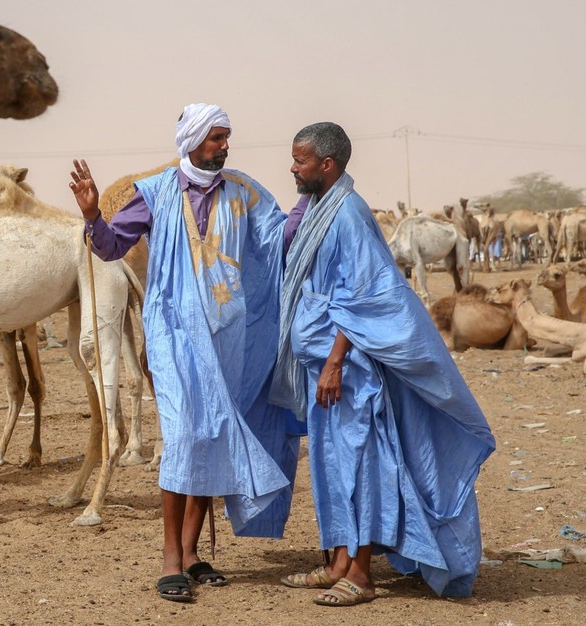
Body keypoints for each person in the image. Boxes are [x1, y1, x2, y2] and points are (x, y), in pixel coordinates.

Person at [68, 103, 299, 603]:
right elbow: (109, 247)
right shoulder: (153, 195)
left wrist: (313, 200)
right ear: (192, 140)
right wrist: (91, 215)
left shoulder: (243, 192)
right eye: (216, 137)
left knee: (214, 434)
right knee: (184, 439)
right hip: (173, 339)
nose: (224, 146)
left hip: (229, 341)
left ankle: (192, 553)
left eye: (226, 137)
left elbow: (278, 238)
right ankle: (170, 557)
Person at [270, 122, 496, 606]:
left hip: (346, 373)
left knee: (361, 466)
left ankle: (361, 573)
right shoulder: (317, 209)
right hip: (320, 369)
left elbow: (364, 295)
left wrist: (334, 362)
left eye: (301, 160)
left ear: (326, 165)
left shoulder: (347, 214)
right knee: (331, 467)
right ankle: (335, 563)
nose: (293, 167)